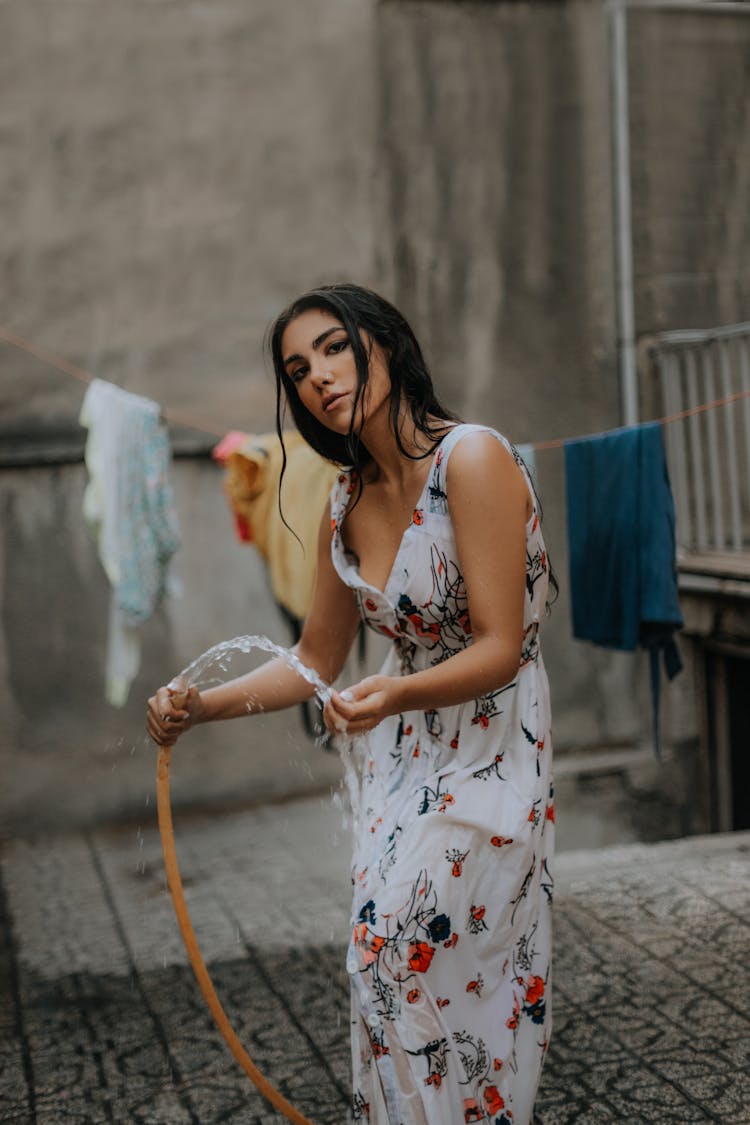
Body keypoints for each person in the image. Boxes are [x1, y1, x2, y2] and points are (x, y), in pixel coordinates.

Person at [147, 284, 554, 1125]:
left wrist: (395, 690)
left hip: (493, 748)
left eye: (334, 347)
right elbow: (312, 661)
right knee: (382, 964)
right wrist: (201, 707)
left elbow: (499, 643)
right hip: (403, 762)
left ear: (385, 344)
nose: (318, 377)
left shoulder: (471, 458)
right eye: (298, 368)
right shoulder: (344, 497)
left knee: (418, 952)